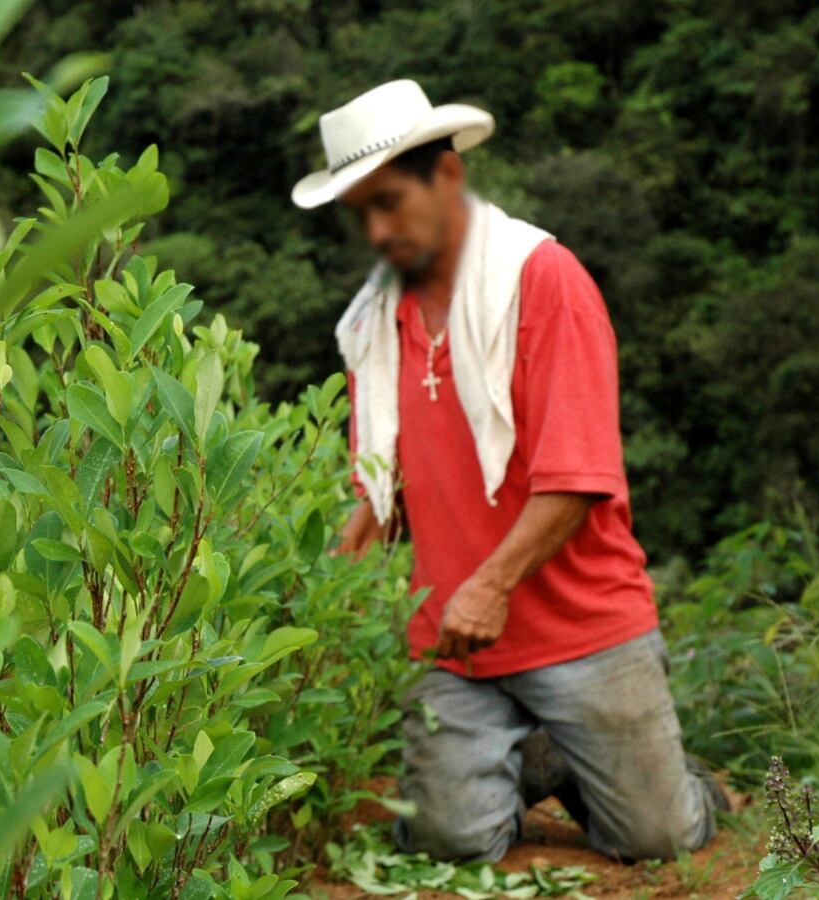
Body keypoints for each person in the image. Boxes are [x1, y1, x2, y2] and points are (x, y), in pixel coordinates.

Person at [291, 80, 727, 863]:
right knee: (447, 843)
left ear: (448, 178)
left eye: (391, 202)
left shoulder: (544, 282)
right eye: (364, 212)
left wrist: (489, 585)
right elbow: (381, 492)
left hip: (584, 628)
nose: (379, 229)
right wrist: (329, 586)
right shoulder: (371, 324)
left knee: (659, 840)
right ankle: (538, 755)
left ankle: (654, 777)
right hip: (453, 646)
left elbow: (577, 477)